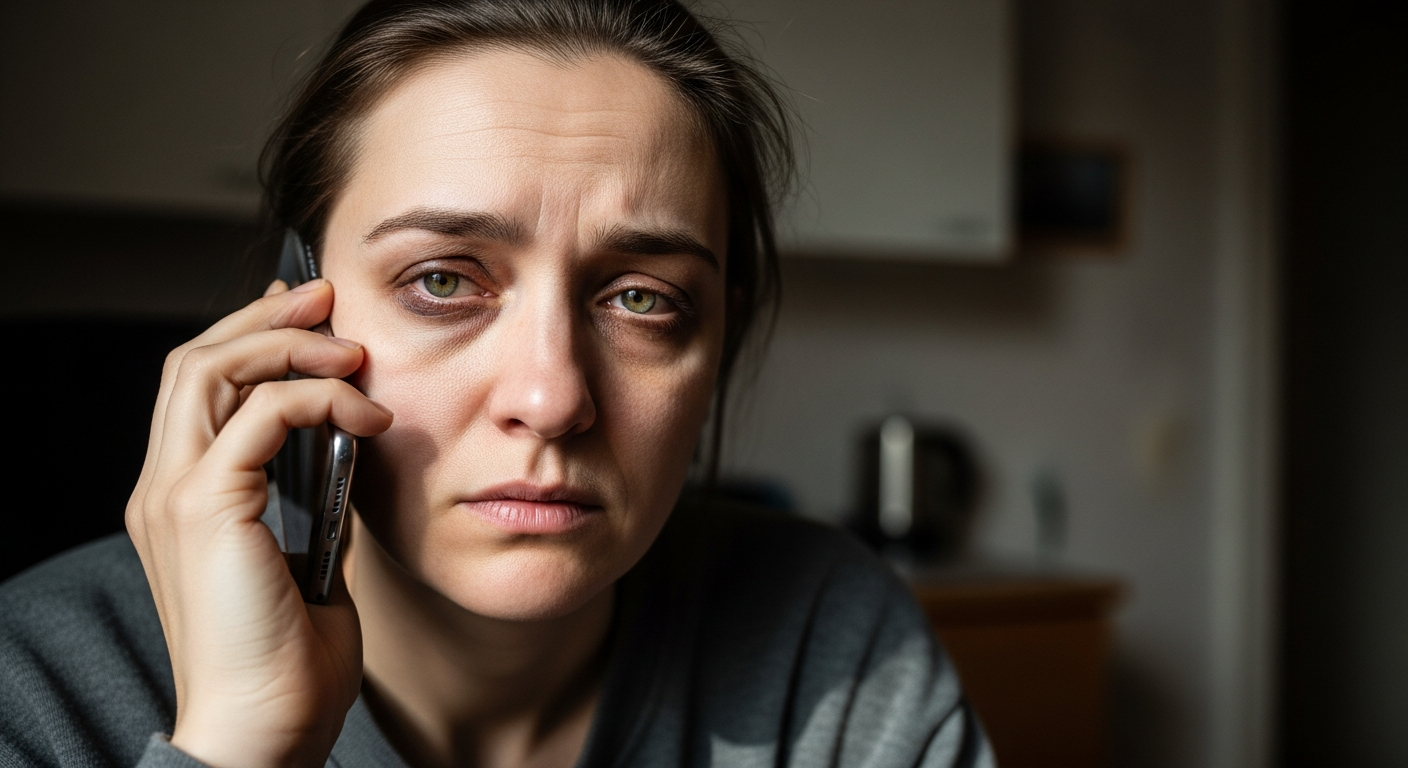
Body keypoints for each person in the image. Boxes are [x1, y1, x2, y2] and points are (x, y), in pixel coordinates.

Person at [0, 1, 993, 766]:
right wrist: (235, 749)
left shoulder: (831, 650)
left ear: (719, 341)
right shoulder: (38, 685)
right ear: (301, 310)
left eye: (643, 299)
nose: (552, 398)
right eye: (442, 281)